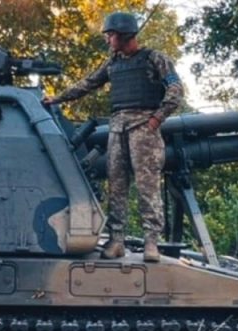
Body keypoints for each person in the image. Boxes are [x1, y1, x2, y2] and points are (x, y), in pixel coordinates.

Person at [43, 12, 184, 262]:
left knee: (147, 186)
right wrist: (57, 98)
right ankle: (116, 240)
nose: (108, 39)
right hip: (117, 129)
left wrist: (157, 118)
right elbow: (88, 83)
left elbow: (175, 89)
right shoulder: (113, 63)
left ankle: (152, 242)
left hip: (144, 128)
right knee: (116, 185)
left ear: (125, 35)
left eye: (110, 35)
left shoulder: (155, 59)